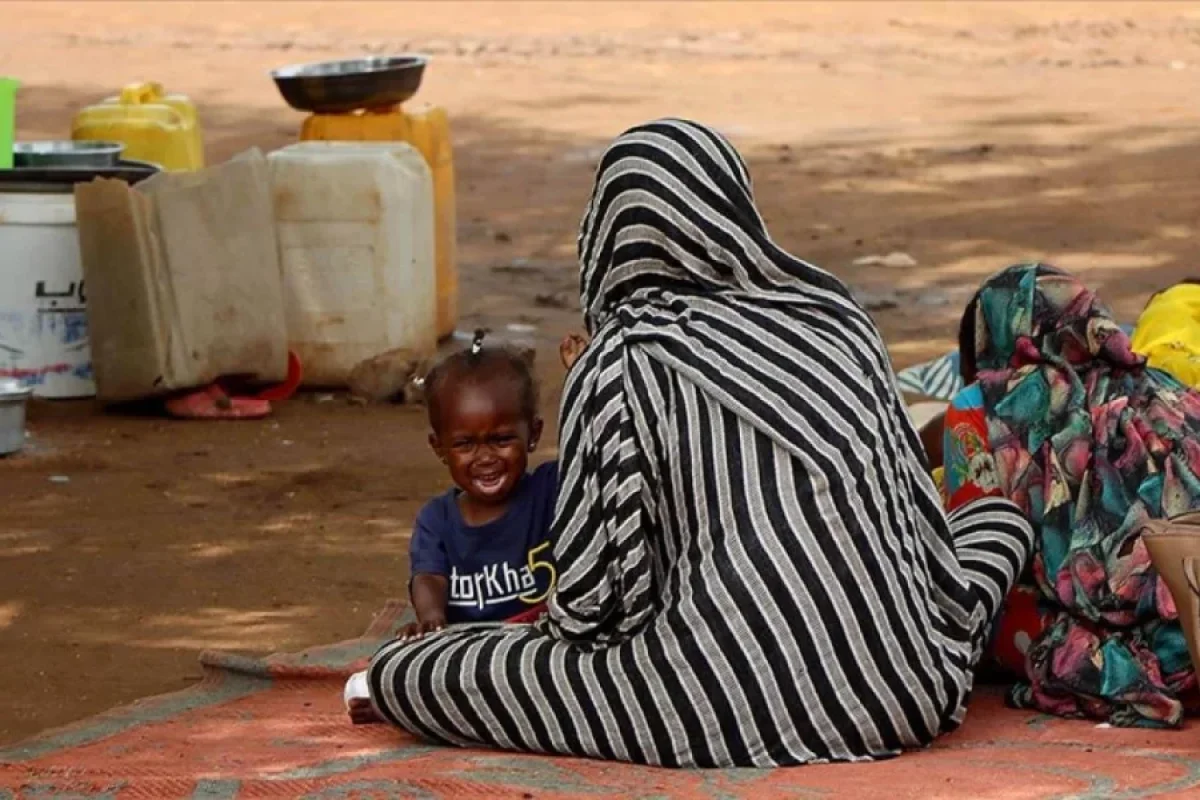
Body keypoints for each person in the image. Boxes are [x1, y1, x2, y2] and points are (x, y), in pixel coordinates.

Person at [360, 118, 1033, 767]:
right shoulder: (839, 323)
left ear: (604, 232)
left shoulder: (617, 358)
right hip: (910, 689)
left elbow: (593, 608)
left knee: (406, 671)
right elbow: (918, 532)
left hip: (716, 703)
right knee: (995, 519)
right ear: (732, 208)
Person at [942, 262, 1200, 727]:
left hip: (1138, 629)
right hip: (1189, 607)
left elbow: (977, 540)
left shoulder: (978, 409)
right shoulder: (1167, 389)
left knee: (977, 614)